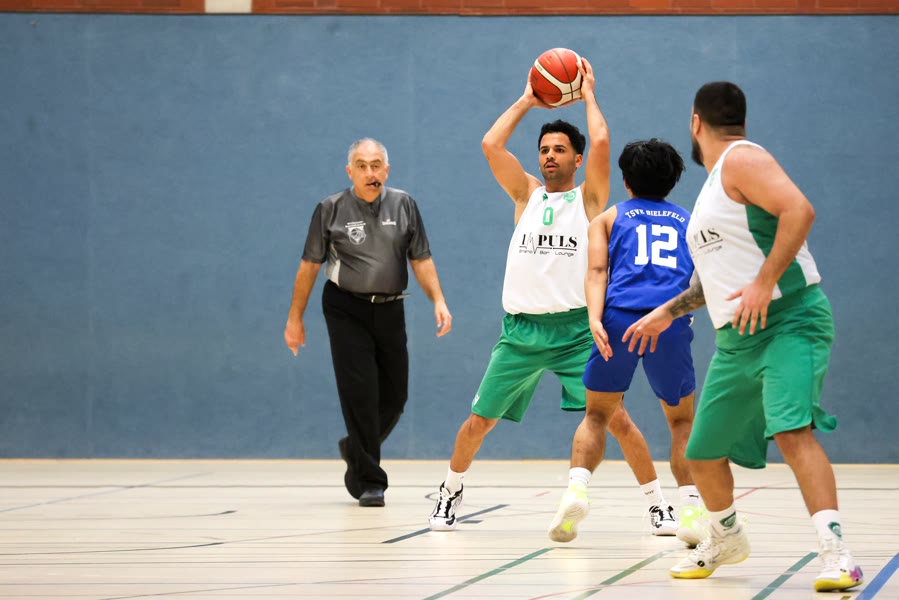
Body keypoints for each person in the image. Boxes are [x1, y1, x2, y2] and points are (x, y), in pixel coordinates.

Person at [623, 82, 863, 592]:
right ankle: (726, 538)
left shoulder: (742, 159)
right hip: (737, 339)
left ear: (696, 122)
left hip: (790, 320)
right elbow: (710, 282)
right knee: (701, 453)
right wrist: (666, 312)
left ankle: (837, 554)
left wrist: (764, 281)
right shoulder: (713, 190)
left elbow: (800, 210)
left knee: (793, 430)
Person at [428, 60, 675, 534]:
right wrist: (527, 99)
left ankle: (658, 504)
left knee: (617, 419)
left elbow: (601, 141)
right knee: (479, 421)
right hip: (521, 332)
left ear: (577, 160)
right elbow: (490, 144)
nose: (549, 156)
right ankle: (449, 489)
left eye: (559, 149)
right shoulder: (526, 195)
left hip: (576, 332)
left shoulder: (589, 200)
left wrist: (588, 95)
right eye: (544, 149)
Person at [548, 139, 705, 547]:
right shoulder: (689, 221)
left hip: (618, 319)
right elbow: (702, 281)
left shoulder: (608, 218)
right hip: (668, 320)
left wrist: (594, 319)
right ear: (673, 180)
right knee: (682, 422)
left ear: (626, 180)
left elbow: (597, 271)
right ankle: (691, 509)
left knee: (597, 415)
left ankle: (577, 489)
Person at [284, 138, 453, 508]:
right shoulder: (330, 209)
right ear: (350, 171)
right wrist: (295, 317)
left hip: (390, 308)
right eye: (361, 165)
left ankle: (355, 447)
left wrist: (438, 300)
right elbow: (309, 266)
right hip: (346, 308)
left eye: (376, 165)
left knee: (395, 396)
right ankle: (370, 482)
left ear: (386, 170)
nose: (369, 172)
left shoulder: (404, 205)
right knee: (360, 393)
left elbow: (421, 259)